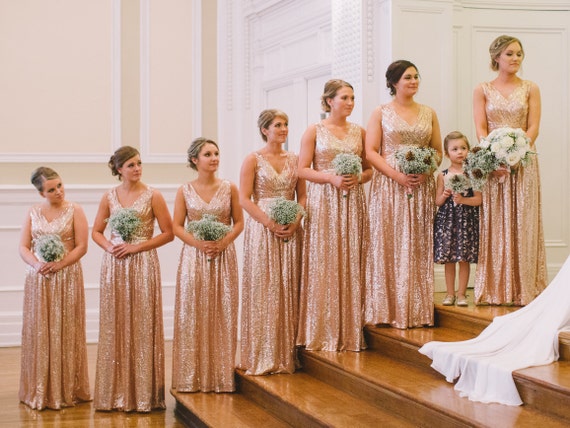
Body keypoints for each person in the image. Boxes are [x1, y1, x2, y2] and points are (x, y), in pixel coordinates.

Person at [92, 146, 173, 412]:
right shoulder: (109, 196)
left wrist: (137, 247)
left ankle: (144, 393)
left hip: (143, 263)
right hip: (115, 266)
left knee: (141, 323)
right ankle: (115, 392)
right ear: (119, 170)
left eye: (139, 163)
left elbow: (168, 233)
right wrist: (109, 246)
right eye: (131, 165)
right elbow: (96, 231)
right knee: (116, 323)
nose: (137, 168)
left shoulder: (154, 195)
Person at [364, 60, 442, 329]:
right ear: (394, 82)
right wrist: (397, 175)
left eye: (417, 76)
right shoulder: (381, 112)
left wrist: (426, 169)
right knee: (389, 241)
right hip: (389, 185)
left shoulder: (429, 112)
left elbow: (438, 150)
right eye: (408, 77)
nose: (414, 81)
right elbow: (371, 151)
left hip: (421, 186)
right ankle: (387, 309)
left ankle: (417, 308)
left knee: (418, 242)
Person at [296, 79, 372, 352]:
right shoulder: (313, 131)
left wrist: (357, 178)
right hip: (324, 203)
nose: (350, 103)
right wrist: (330, 178)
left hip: (352, 202)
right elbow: (301, 170)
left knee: (351, 259)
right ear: (330, 101)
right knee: (324, 260)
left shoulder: (360, 132)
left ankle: (351, 328)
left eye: (352, 98)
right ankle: (322, 329)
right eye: (345, 98)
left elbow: (370, 169)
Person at [472, 34, 547, 305]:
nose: (515, 58)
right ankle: (497, 288)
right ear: (496, 57)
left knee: (524, 220)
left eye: (518, 54)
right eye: (509, 54)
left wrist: (518, 151)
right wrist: (494, 157)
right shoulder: (482, 89)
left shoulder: (531, 88)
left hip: (524, 161)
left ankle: (526, 287)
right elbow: (481, 129)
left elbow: (534, 126)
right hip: (495, 168)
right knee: (497, 220)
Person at [171, 138, 243, 392]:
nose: (214, 158)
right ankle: (192, 377)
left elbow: (239, 222)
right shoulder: (184, 191)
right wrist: (199, 244)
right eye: (207, 154)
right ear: (194, 160)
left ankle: (221, 376)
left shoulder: (230, 187)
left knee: (223, 312)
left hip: (224, 257)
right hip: (194, 257)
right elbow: (177, 226)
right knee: (194, 313)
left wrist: (223, 242)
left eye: (216, 153)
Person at [239, 109, 306, 375]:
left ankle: (285, 354)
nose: (283, 129)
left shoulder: (295, 159)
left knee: (287, 286)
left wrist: (295, 221)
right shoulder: (253, 160)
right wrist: (268, 223)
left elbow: (302, 196)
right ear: (265, 129)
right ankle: (261, 354)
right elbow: (245, 198)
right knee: (264, 288)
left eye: (286, 124)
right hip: (262, 229)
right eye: (278, 125)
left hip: (290, 228)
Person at [18, 167, 91, 410]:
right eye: (51, 189)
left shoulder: (75, 210)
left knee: (66, 329)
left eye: (60, 185)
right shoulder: (32, 212)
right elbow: (24, 247)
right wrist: (37, 264)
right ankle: (39, 387)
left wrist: (59, 264)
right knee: (40, 329)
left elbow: (81, 247)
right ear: (41, 194)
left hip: (66, 277)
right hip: (39, 279)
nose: (58, 191)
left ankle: (67, 388)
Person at [434, 131, 482, 307]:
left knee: (463, 258)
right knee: (449, 259)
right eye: (455, 149)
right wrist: (445, 194)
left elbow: (478, 199)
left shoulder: (473, 174)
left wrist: (463, 200)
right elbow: (437, 201)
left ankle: (462, 294)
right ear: (447, 153)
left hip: (466, 221)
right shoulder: (442, 175)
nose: (460, 152)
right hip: (448, 221)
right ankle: (449, 293)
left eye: (463, 148)